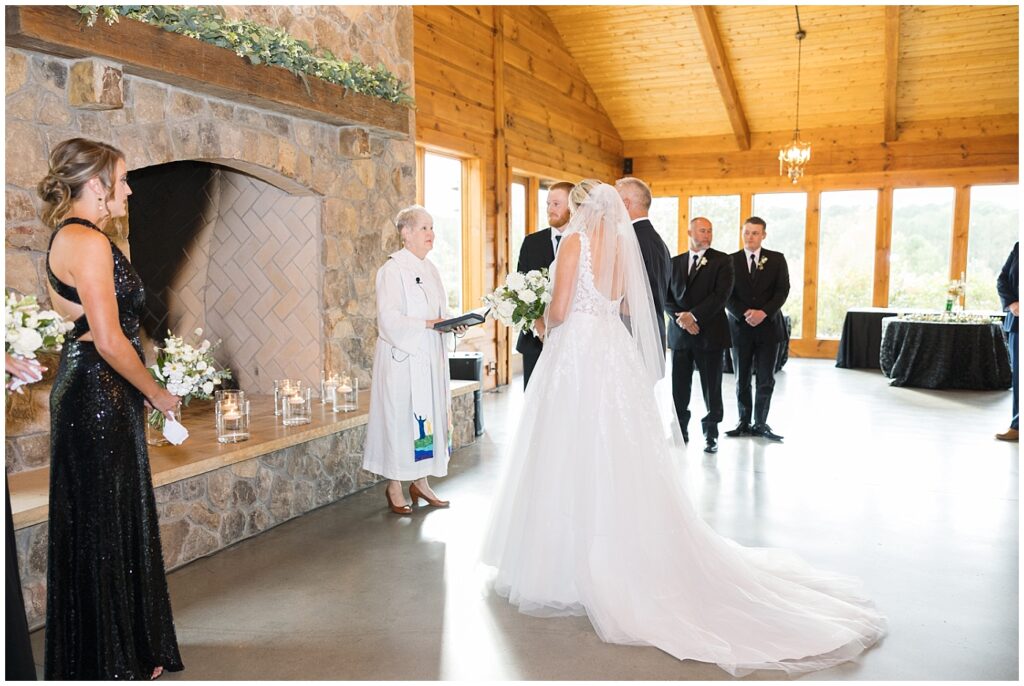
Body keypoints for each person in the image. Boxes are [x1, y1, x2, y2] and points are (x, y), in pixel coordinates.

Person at [480, 181, 885, 676]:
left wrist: (539, 318)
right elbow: (629, 307)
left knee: (566, 449)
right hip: (611, 352)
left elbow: (560, 311)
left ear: (581, 208)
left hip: (576, 355)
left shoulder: (575, 244)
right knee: (615, 453)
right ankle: (623, 552)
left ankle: (564, 567)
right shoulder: (621, 244)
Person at [39, 138, 183, 679]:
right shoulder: (87, 242)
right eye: (121, 179)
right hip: (98, 392)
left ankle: (112, 651)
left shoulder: (76, 238)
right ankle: (111, 657)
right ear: (96, 185)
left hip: (96, 390)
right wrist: (157, 392)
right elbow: (108, 339)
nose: (127, 189)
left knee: (106, 520)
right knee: (103, 524)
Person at [364, 205, 464, 514]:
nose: (431, 234)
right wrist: (428, 325)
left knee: (426, 418)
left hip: (428, 357)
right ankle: (394, 486)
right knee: (400, 420)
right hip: (403, 361)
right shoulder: (391, 270)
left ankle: (420, 481)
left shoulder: (430, 269)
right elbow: (389, 320)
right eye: (424, 228)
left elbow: (437, 312)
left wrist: (449, 322)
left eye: (432, 227)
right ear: (406, 233)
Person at [665, 217, 734, 453]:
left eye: (710, 231)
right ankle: (679, 430)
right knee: (679, 387)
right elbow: (666, 298)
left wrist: (693, 317)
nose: (707, 235)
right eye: (702, 230)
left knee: (711, 387)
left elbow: (720, 295)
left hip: (710, 334)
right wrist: (682, 319)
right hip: (680, 335)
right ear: (690, 231)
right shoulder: (674, 263)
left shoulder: (722, 261)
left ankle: (711, 434)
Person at [724, 217, 790, 442]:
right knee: (741, 378)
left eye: (755, 233)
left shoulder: (777, 259)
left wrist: (764, 312)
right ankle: (743, 421)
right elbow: (726, 293)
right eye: (747, 232)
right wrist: (745, 313)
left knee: (765, 378)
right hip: (740, 329)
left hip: (769, 329)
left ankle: (760, 422)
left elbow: (782, 290)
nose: (750, 237)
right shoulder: (730, 261)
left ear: (764, 235)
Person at [515, 181, 574, 388]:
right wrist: (538, 325)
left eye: (556, 204)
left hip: (573, 342)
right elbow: (519, 290)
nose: (550, 209)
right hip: (535, 343)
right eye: (548, 204)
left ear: (572, 206)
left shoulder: (585, 244)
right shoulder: (531, 242)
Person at [615, 176, 672, 350]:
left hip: (632, 335)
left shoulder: (630, 241)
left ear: (625, 204)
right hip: (653, 334)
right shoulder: (658, 241)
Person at [996, 241, 1018, 441]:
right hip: (1018, 325)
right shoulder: (1020, 247)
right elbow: (1002, 280)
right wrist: (1012, 303)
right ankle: (1017, 425)